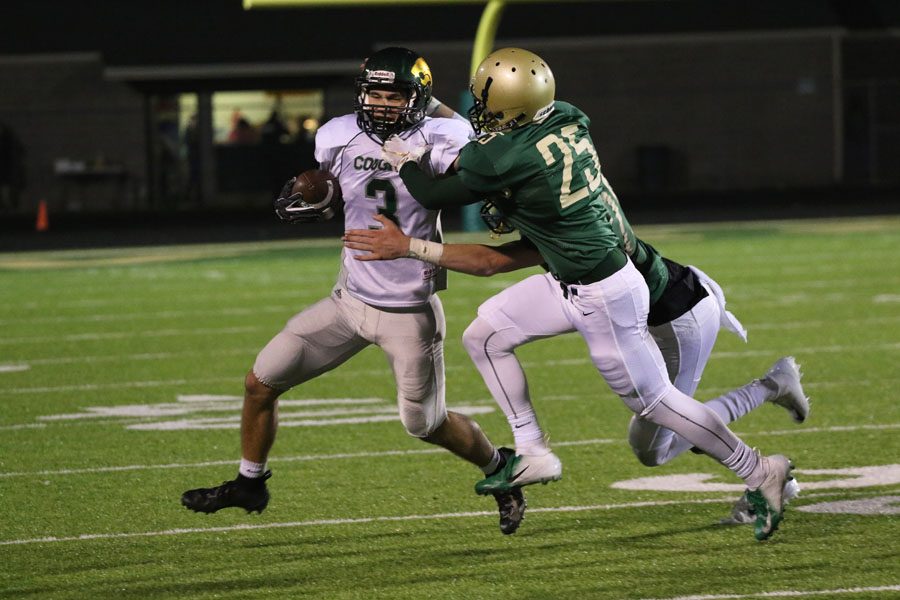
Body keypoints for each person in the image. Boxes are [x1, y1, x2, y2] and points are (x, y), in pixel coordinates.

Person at [361, 47, 797, 541]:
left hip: (604, 290)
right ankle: (533, 451)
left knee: (654, 404)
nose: (480, 108)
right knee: (485, 334)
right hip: (572, 277)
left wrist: (407, 159)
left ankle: (760, 469)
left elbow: (437, 194)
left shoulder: (505, 156)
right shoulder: (566, 117)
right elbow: (488, 155)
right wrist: (433, 111)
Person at [181, 47, 527, 536]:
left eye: (396, 95)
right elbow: (340, 188)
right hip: (348, 302)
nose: (384, 104)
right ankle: (249, 482)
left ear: (418, 98)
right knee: (260, 383)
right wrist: (319, 198)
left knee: (424, 425)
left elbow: (472, 171)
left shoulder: (444, 137)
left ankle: (500, 467)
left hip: (408, 309)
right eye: (376, 93)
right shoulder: (336, 134)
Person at [343, 212, 809, 524]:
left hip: (675, 313)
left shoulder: (551, 187)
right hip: (582, 289)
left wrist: (409, 244)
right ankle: (532, 448)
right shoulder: (539, 164)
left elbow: (488, 260)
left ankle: (768, 402)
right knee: (484, 334)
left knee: (656, 443)